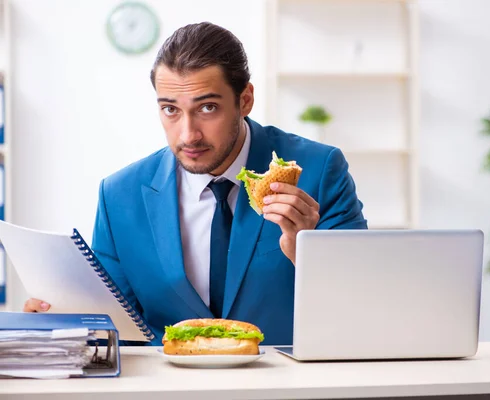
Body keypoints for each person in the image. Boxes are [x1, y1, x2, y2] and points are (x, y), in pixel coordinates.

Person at [23, 22, 368, 345]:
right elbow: (117, 333)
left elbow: (362, 308)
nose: (188, 135)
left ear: (244, 100)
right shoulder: (119, 197)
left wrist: (304, 250)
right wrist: (61, 327)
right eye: (171, 110)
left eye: (207, 108)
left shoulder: (320, 171)